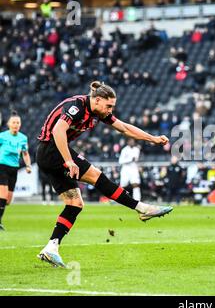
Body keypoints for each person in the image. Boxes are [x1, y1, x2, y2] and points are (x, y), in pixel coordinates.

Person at [36, 81, 173, 268]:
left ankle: (51, 248)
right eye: (109, 106)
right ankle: (142, 208)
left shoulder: (98, 112)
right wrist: (68, 160)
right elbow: (58, 130)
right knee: (96, 176)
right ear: (97, 100)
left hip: (52, 153)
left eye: (112, 107)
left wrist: (153, 139)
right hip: (51, 150)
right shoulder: (77, 105)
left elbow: (124, 128)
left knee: (75, 204)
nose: (110, 110)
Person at [0, 112, 32, 231]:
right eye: (13, 122)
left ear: (20, 124)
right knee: (2, 196)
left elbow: (25, 153)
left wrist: (28, 165)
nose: (15, 124)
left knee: (7, 200)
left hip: (14, 168)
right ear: (9, 124)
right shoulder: (2, 136)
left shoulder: (23, 138)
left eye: (18, 122)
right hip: (2, 166)